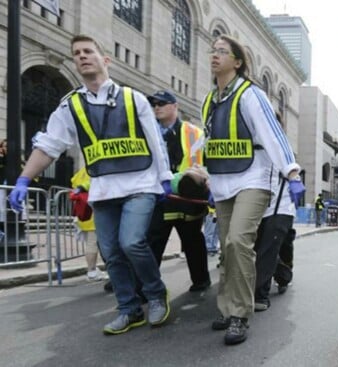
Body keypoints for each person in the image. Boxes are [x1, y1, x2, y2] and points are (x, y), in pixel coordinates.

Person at [8, 35, 173, 335]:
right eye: (76, 53)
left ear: (105, 59)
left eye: (88, 51)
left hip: (140, 185)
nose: (82, 56)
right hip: (104, 190)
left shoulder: (133, 98)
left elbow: (155, 141)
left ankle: (155, 294)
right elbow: (49, 145)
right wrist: (24, 179)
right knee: (110, 251)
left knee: (132, 242)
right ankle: (129, 309)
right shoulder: (70, 105)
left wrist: (164, 179)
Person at [200, 35, 304, 345]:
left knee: (238, 243)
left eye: (223, 52)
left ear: (237, 61)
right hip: (222, 183)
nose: (215, 55)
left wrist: (292, 171)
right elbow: (207, 142)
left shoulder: (250, 94)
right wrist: (205, 176)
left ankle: (240, 315)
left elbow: (273, 134)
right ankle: (227, 307)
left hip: (253, 180)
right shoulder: (210, 99)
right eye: (213, 50)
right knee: (226, 251)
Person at [146, 90, 211, 293]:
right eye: (154, 103)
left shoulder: (194, 133)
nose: (157, 107)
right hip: (160, 196)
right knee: (153, 243)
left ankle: (201, 280)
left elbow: (205, 162)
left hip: (188, 198)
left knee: (193, 242)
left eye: (162, 103)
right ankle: (146, 288)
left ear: (175, 106)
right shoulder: (147, 131)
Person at [253, 171, 296, 312]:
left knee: (272, 247)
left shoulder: (279, 152)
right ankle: (262, 287)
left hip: (281, 206)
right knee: (262, 248)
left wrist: (295, 178)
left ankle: (261, 294)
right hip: (256, 206)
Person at [70, 167, 109, 284]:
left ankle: (92, 270)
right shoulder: (95, 170)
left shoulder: (81, 172)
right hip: (94, 212)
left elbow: (73, 183)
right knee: (94, 244)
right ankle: (91, 271)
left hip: (83, 212)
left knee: (90, 243)